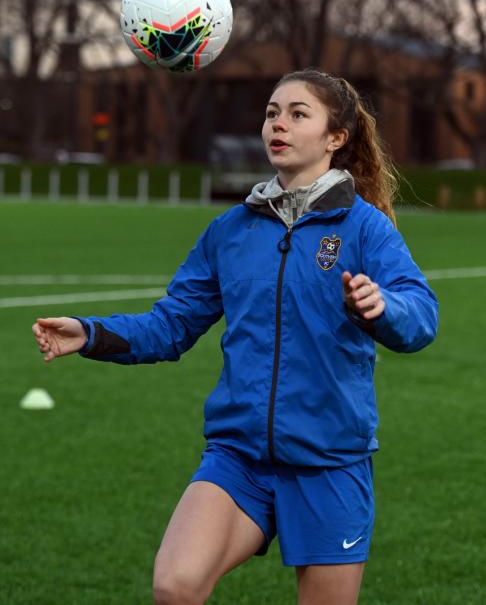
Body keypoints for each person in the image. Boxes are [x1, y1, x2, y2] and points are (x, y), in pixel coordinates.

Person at [32, 69, 438, 605]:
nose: (279, 124)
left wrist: (382, 307)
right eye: (272, 112)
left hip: (329, 462)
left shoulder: (364, 228)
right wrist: (91, 333)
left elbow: (422, 314)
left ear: (336, 138)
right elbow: (172, 324)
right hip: (238, 457)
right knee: (174, 585)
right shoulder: (230, 230)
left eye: (298, 114)